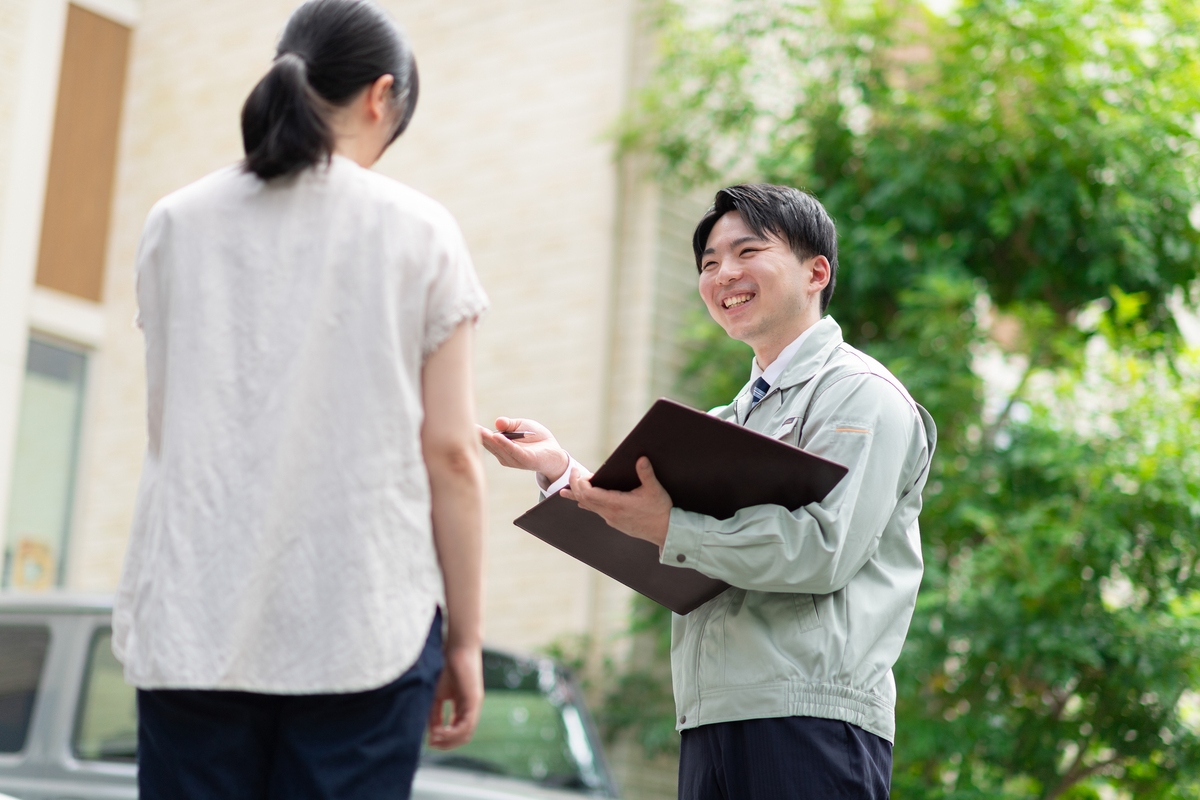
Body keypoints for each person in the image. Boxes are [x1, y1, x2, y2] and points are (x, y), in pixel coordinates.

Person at [112, 2, 489, 798]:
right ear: (381, 97)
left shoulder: (175, 221)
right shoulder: (420, 231)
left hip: (193, 618)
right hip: (361, 623)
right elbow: (453, 456)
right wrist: (465, 639)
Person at [480, 184, 936, 799]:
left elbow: (824, 550)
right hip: (709, 718)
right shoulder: (727, 420)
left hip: (812, 718)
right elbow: (666, 542)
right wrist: (563, 472)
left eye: (747, 252)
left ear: (816, 273)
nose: (724, 274)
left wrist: (673, 528)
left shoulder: (861, 395)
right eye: (709, 262)